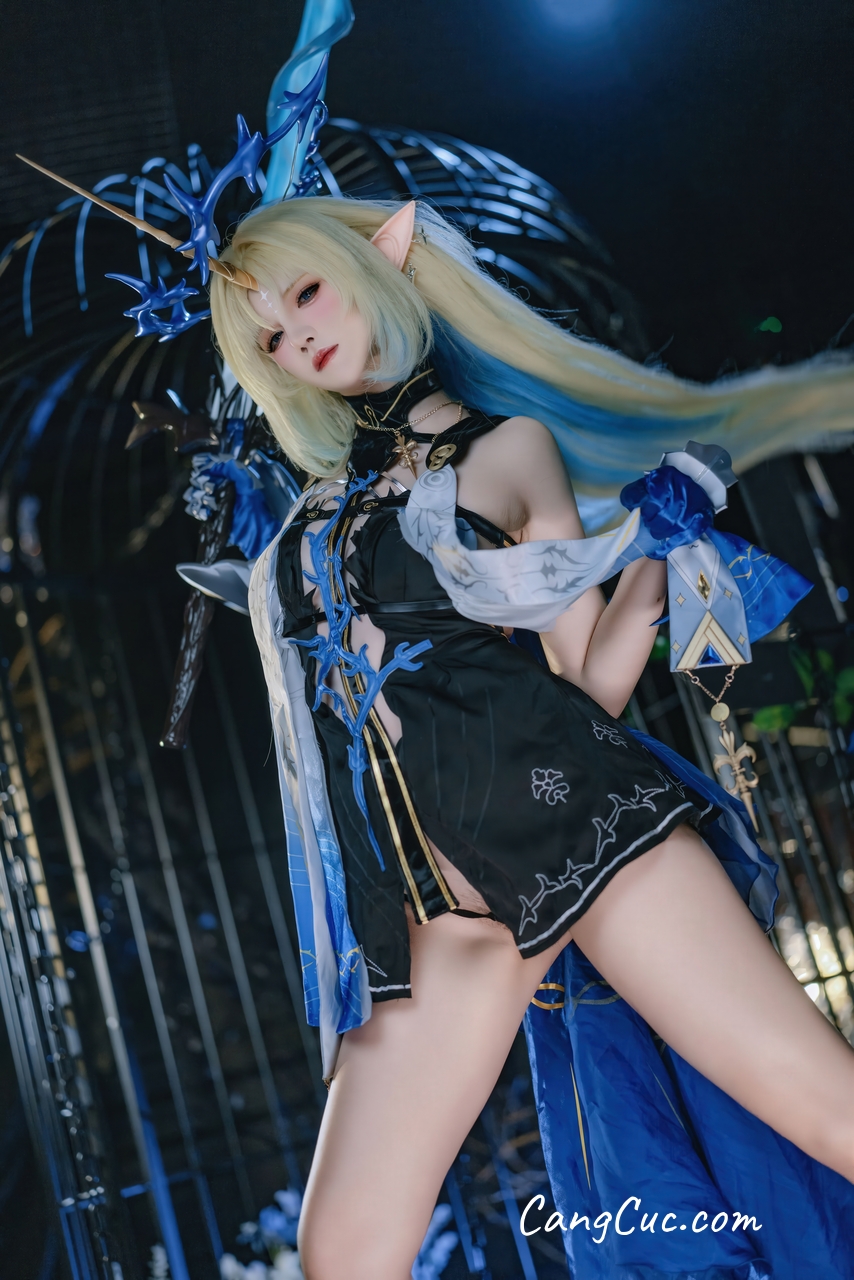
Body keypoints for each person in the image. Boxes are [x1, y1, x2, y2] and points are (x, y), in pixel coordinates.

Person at [209, 195, 854, 1280]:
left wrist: (653, 551)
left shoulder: (506, 449)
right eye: (270, 336)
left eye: (307, 292)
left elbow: (585, 681)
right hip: (436, 919)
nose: (299, 336)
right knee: (342, 1254)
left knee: (827, 1110)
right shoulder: (312, 508)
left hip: (583, 832)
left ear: (376, 265)